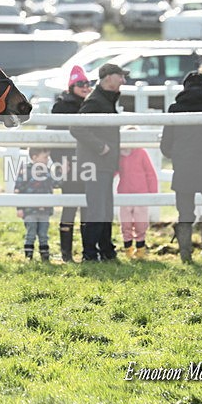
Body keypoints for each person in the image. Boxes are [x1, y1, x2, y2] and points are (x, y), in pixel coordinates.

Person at [160, 71, 202, 263]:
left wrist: (178, 156)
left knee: (185, 213)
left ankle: (185, 256)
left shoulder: (175, 109)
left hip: (184, 169)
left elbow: (165, 146)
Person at [70, 63, 126, 262]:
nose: (123, 80)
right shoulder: (95, 101)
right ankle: (91, 253)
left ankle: (105, 250)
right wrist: (101, 147)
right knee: (98, 209)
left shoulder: (103, 99)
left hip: (102, 163)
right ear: (109, 77)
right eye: (120, 76)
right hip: (96, 163)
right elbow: (76, 127)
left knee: (104, 208)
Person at [50, 65, 92, 262]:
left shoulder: (91, 104)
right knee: (69, 206)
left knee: (87, 207)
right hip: (69, 163)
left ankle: (87, 251)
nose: (85, 87)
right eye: (81, 84)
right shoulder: (61, 106)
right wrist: (59, 161)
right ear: (72, 86)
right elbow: (52, 137)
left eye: (87, 83)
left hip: (88, 161)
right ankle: (66, 254)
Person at [116, 127, 158, 258]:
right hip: (124, 193)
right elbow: (113, 171)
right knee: (125, 223)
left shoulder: (141, 153)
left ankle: (140, 249)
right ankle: (128, 248)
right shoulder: (119, 156)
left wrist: (153, 193)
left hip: (141, 193)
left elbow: (150, 173)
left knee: (141, 223)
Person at [15, 147, 55, 261]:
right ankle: (29, 257)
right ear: (34, 157)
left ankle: (45, 257)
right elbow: (18, 189)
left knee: (44, 234)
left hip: (44, 210)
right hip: (29, 210)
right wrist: (19, 208)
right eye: (45, 157)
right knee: (30, 233)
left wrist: (63, 172)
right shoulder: (25, 171)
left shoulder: (47, 171)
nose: (48, 159)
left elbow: (55, 183)